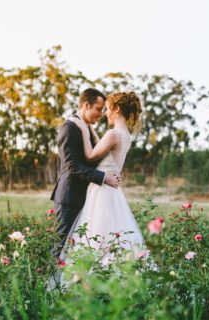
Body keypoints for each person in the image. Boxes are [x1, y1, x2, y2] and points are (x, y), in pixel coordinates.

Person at [65, 91, 144, 261]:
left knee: (98, 237)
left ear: (116, 109)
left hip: (101, 191)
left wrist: (84, 130)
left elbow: (90, 156)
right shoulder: (125, 135)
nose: (105, 113)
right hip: (113, 191)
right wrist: (91, 129)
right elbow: (105, 148)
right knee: (113, 236)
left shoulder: (113, 134)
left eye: (107, 109)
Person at [50, 88, 121, 258]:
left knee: (77, 247)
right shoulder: (69, 127)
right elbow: (71, 165)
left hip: (86, 197)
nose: (101, 114)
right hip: (69, 197)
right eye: (98, 109)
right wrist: (103, 178)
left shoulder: (86, 128)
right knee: (62, 244)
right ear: (86, 105)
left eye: (103, 109)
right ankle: (48, 284)